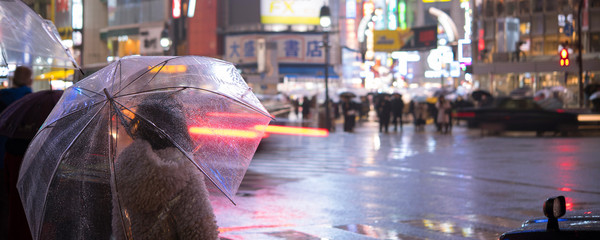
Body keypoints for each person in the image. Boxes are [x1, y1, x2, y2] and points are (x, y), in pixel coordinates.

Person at [112, 94, 219, 239]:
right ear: (178, 126)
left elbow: (121, 227)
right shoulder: (184, 171)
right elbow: (202, 233)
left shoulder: (124, 167)